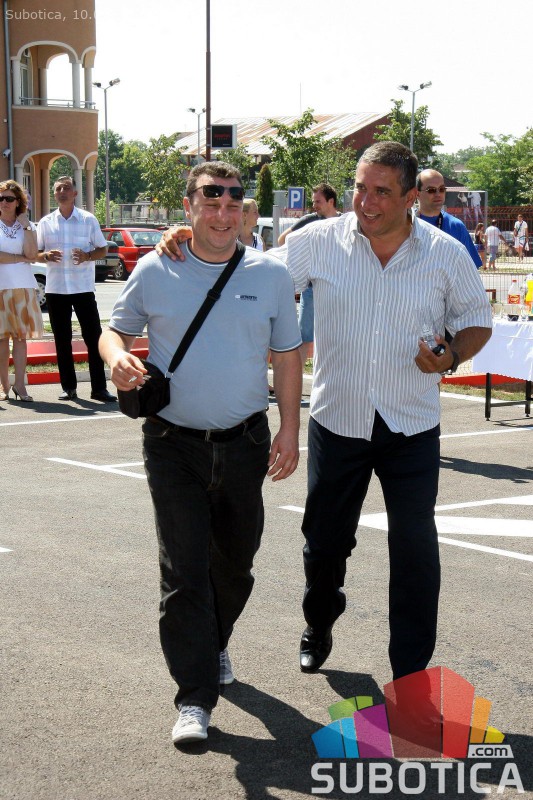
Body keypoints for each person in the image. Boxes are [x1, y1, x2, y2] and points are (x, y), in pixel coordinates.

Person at [99, 162, 302, 746]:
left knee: (235, 566)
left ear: (244, 211)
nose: (222, 213)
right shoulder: (157, 267)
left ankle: (214, 642)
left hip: (245, 443)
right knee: (184, 571)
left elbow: (287, 356)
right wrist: (116, 357)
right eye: (210, 202)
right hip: (173, 446)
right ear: (188, 208)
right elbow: (114, 331)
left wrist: (290, 429)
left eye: (233, 202)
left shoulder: (269, 274)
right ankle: (194, 697)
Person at [272, 143, 492, 681]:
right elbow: (256, 281)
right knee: (324, 544)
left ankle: (410, 674)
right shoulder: (317, 242)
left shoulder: (445, 253)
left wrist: (451, 355)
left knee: (414, 549)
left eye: (381, 192)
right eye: (359, 188)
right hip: (337, 420)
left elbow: (477, 320)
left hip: (411, 425)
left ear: (411, 197)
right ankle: (320, 619)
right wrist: (192, 241)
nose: (365, 202)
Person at [36, 176, 116, 402]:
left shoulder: (88, 220)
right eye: (58, 189)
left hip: (83, 288)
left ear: (75, 193)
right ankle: (68, 388)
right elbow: (35, 253)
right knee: (62, 340)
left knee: (94, 338)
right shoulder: (45, 223)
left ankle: (99, 388)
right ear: (54, 194)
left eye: (66, 188)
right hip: (56, 290)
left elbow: (102, 249)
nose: (62, 191)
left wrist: (87, 256)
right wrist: (46, 255)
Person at [278, 183, 342, 368]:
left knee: (335, 335)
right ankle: (295, 378)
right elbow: (283, 240)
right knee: (305, 335)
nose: (314, 205)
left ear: (331, 201)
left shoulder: (344, 223)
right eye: (313, 201)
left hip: (337, 288)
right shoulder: (309, 221)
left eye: (318, 201)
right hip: (311, 288)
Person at [0, 180, 43, 402]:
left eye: (9, 198)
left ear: (18, 201)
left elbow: (32, 254)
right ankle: (3, 385)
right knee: (1, 340)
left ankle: (20, 385)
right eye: (0, 198)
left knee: (20, 339)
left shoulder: (27, 226)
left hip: (23, 286)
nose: (4, 202)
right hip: (0, 287)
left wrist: (26, 226)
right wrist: (19, 258)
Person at [416, 170, 482, 268]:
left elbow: (471, 269)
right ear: (417, 194)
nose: (438, 194)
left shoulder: (456, 226)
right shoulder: (405, 225)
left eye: (442, 189)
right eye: (431, 190)